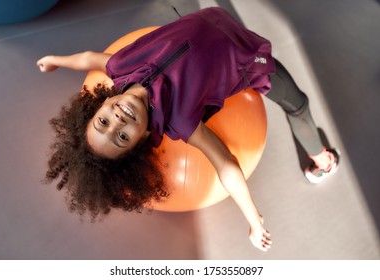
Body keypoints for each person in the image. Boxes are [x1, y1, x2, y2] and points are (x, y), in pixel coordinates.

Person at [37, 7, 339, 252]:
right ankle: (321, 156)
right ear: (141, 138)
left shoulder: (121, 68)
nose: (118, 121)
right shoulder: (180, 120)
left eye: (103, 122)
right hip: (247, 59)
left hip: (209, 19)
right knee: (297, 105)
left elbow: (89, 58)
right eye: (122, 137)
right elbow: (226, 166)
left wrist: (55, 60)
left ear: (97, 108)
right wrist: (254, 219)